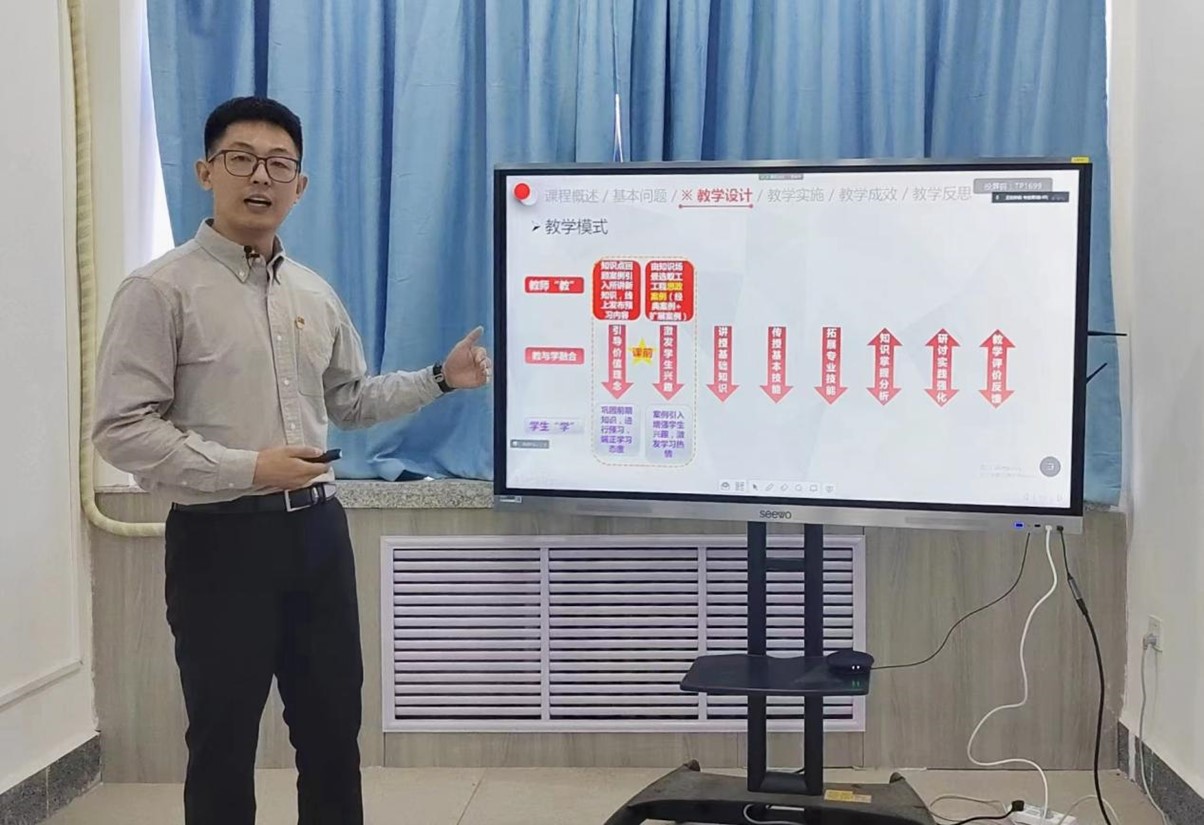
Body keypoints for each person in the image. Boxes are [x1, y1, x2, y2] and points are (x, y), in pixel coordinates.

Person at [92, 96, 491, 825]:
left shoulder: (314, 291)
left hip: (317, 536)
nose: (260, 177)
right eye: (241, 159)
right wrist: (250, 468)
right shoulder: (158, 290)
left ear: (299, 185)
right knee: (222, 740)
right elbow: (121, 430)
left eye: (279, 165)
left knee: (333, 734)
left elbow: (351, 401)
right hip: (218, 542)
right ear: (206, 171)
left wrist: (441, 378)